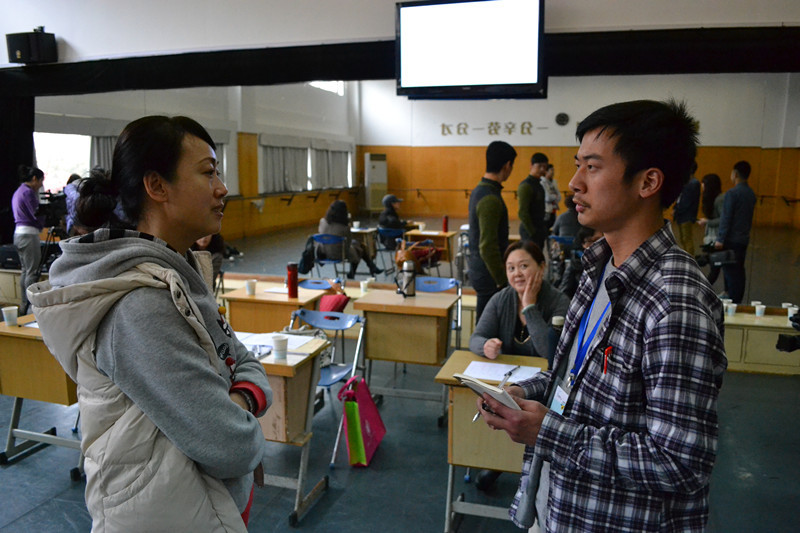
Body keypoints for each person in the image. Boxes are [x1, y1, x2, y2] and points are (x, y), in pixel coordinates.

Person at [476, 100, 727, 532]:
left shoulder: (675, 303)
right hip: (560, 506)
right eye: (578, 166)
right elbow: (572, 379)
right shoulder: (599, 269)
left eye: (591, 167)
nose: (574, 183)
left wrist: (547, 431)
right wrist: (521, 392)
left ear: (648, 182)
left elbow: (679, 463)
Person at [28, 116, 272, 532]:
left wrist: (238, 399)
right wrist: (243, 408)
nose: (222, 188)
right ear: (157, 186)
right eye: (208, 172)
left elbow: (242, 360)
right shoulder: (139, 304)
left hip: (202, 507)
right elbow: (229, 444)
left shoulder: (175, 275)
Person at [470, 240, 570, 361]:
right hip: (507, 372)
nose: (517, 273)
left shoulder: (560, 302)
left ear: (542, 267)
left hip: (544, 372)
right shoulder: (500, 299)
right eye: (511, 268)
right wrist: (485, 346)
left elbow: (550, 351)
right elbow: (476, 338)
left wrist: (529, 307)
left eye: (524, 266)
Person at [468, 140, 516, 321]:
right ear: (507, 165)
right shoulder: (490, 198)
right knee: (486, 328)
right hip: (489, 276)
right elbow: (487, 247)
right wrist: (502, 280)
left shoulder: (480, 190)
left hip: (481, 271)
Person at [714, 160, 757, 303]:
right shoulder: (751, 193)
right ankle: (733, 297)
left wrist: (720, 238)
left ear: (735, 174)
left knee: (730, 270)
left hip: (731, 239)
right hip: (743, 238)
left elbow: (726, 218)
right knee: (739, 270)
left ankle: (732, 300)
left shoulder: (732, 193)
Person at [12, 165, 46, 315]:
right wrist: (44, 220)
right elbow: (35, 214)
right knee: (32, 272)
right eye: (41, 181)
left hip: (18, 234)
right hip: (29, 234)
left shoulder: (19, 191)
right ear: (34, 179)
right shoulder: (28, 193)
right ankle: (30, 309)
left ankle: (23, 305)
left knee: (25, 271)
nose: (41, 185)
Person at [318, 199, 382, 278]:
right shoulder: (345, 227)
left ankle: (368, 267)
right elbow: (348, 244)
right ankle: (368, 267)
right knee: (360, 247)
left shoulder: (322, 222)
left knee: (358, 247)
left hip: (325, 253)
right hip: (340, 254)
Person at [557, 225, 602, 299]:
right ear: (583, 244)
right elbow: (564, 294)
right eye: (590, 241)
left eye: (598, 240)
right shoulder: (575, 265)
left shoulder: (610, 262)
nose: (595, 244)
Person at [697, 173, 724, 285]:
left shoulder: (719, 200)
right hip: (712, 236)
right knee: (715, 266)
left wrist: (707, 222)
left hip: (717, 237)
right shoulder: (713, 199)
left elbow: (723, 219)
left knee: (715, 267)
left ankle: (704, 289)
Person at [517, 152, 548, 250]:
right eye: (539, 166)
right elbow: (523, 212)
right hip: (529, 231)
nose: (542, 169)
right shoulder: (525, 186)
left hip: (539, 229)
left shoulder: (539, 185)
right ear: (531, 166)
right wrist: (532, 232)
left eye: (544, 167)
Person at [672, 162, 701, 256]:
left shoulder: (693, 183)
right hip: (682, 214)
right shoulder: (687, 182)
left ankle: (690, 258)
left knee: (687, 239)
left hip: (687, 214)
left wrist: (677, 210)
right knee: (683, 239)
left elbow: (687, 201)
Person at [541, 164, 561, 231]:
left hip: (554, 210)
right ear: (546, 171)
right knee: (545, 228)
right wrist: (555, 196)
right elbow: (547, 198)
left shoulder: (554, 182)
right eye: (551, 170)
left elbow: (559, 197)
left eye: (553, 170)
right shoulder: (542, 182)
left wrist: (554, 196)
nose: (553, 172)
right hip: (546, 211)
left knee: (553, 228)